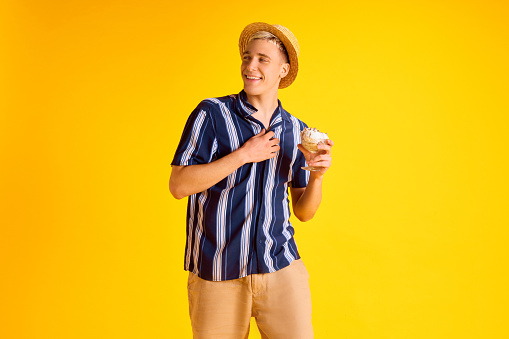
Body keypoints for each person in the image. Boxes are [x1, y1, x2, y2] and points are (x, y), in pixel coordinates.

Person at [169, 22, 333, 339]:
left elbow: (304, 212)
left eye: (262, 59)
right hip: (218, 272)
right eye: (247, 57)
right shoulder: (212, 113)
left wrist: (317, 176)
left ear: (283, 70)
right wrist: (244, 154)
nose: (250, 67)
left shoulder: (296, 130)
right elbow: (178, 185)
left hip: (281, 268)